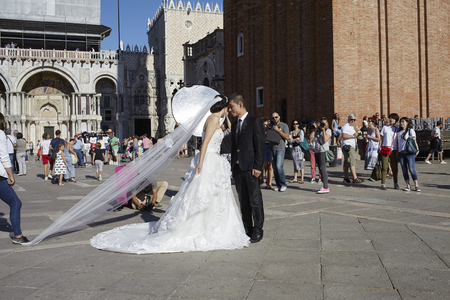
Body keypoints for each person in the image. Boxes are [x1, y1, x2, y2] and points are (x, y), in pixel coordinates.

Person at [91, 95, 250, 253]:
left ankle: (214, 225)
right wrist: (201, 162)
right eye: (227, 108)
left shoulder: (213, 119)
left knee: (211, 194)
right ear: (221, 107)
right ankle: (205, 227)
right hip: (209, 159)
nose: (229, 110)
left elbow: (228, 131)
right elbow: (206, 143)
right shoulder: (214, 119)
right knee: (204, 194)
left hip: (214, 160)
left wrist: (227, 118)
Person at [229, 93, 265, 243]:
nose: (230, 110)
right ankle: (247, 228)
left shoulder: (254, 121)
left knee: (254, 200)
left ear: (240, 105)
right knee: (243, 200)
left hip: (251, 168)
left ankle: (258, 229)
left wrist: (258, 166)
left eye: (231, 107)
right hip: (238, 168)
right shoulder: (235, 124)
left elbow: (259, 145)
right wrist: (232, 166)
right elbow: (234, 146)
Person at [0, 113, 30, 245]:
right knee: (16, 203)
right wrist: (11, 175)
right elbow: (4, 157)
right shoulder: (0, 134)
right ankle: (18, 235)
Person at [396, 117, 421, 192]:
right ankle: (408, 185)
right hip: (401, 153)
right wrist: (397, 152)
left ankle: (416, 185)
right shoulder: (399, 132)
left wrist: (417, 149)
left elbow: (414, 140)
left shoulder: (410, 131)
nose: (401, 123)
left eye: (403, 122)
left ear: (407, 122)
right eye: (400, 122)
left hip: (409, 153)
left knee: (411, 169)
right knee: (404, 170)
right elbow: (398, 144)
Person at [269, 112, 289, 192]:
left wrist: (278, 131)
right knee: (275, 168)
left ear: (279, 117)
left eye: (276, 117)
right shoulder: (271, 126)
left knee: (279, 167)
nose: (275, 119)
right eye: (273, 118)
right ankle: (278, 185)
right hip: (272, 148)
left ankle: (283, 184)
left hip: (280, 148)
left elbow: (287, 137)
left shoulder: (284, 125)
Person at [341, 114, 364, 183]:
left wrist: (356, 136)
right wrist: (353, 136)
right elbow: (344, 135)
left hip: (350, 146)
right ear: (348, 119)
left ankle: (346, 177)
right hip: (348, 146)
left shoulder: (351, 127)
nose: (353, 121)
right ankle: (355, 178)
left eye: (354, 120)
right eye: (351, 119)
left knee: (347, 162)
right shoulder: (346, 126)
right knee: (352, 161)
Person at [379, 113, 400, 190]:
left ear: (396, 121)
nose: (391, 120)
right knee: (384, 167)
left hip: (394, 150)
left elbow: (398, 141)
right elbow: (381, 137)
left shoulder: (397, 129)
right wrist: (379, 146)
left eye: (393, 119)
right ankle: (383, 183)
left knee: (395, 167)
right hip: (385, 148)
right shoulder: (385, 127)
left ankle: (396, 183)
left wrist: (398, 150)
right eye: (390, 118)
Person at [314, 118, 332, 193]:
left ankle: (326, 186)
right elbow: (312, 137)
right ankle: (324, 186)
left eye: (324, 123)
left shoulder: (328, 130)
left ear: (327, 124)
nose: (323, 125)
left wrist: (324, 130)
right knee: (320, 168)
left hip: (323, 151)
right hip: (317, 151)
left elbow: (325, 140)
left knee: (323, 168)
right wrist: (316, 129)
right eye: (322, 123)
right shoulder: (318, 131)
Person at [289, 119, 304, 183]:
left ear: (298, 124)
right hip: (293, 148)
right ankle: (295, 178)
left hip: (299, 148)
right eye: (294, 124)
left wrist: (293, 140)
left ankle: (302, 178)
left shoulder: (301, 131)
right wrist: (296, 139)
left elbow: (301, 140)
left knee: (300, 163)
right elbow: (289, 141)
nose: (295, 125)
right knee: (295, 163)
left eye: (296, 124)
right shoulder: (291, 132)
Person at [262, 118, 273, 189]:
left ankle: (270, 182)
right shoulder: (261, 132)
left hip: (270, 147)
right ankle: (267, 181)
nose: (265, 126)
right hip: (264, 147)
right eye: (264, 125)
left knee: (270, 166)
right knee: (265, 165)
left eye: (267, 125)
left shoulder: (271, 131)